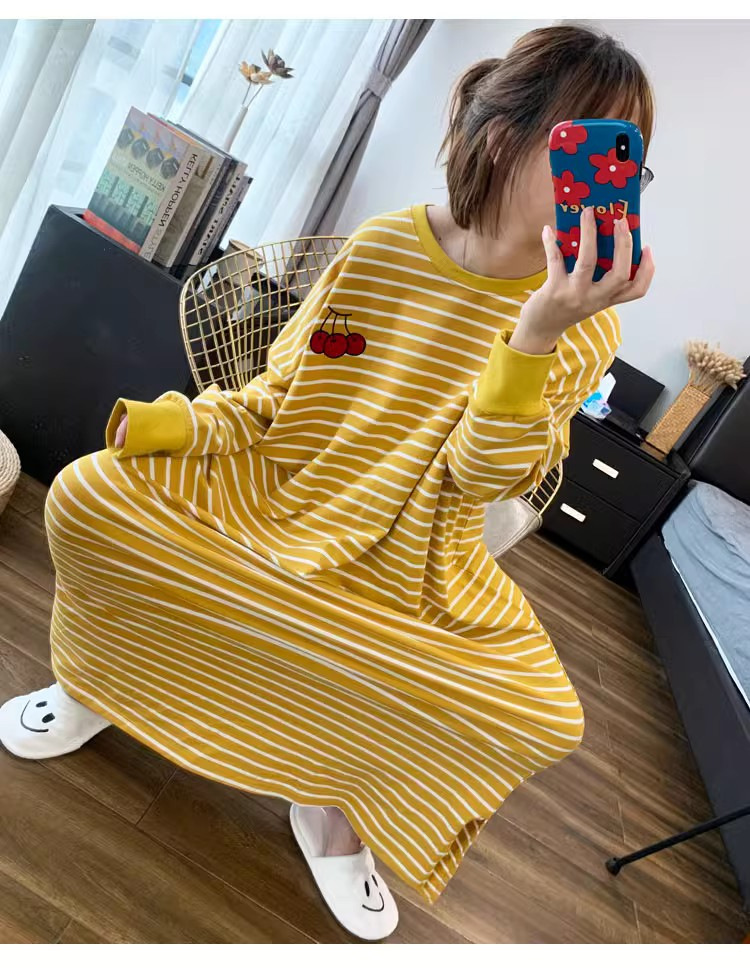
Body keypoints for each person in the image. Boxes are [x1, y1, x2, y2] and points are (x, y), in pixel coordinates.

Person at [0, 24, 654, 941]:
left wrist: (537, 330)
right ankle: (101, 684)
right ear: (505, 137)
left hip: (419, 557)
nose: (612, 180)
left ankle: (337, 804)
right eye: (594, 147)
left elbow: (483, 480)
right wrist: (182, 426)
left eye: (631, 162)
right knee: (85, 500)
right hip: (282, 488)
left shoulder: (587, 327)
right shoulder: (384, 248)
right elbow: (282, 399)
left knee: (538, 716)